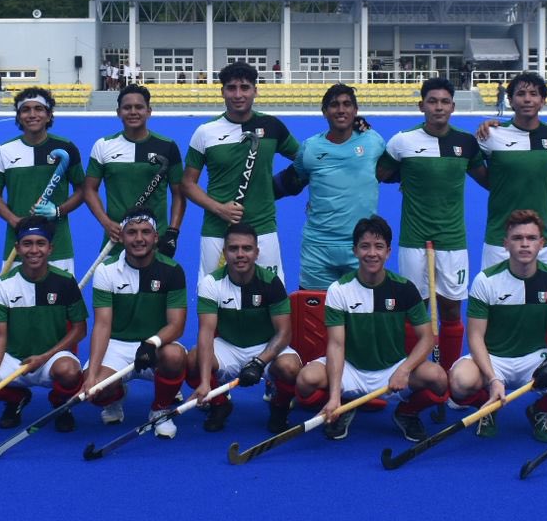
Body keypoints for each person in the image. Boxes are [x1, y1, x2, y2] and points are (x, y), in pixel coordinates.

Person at [296, 215, 448, 442]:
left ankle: (407, 412)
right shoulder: (339, 289)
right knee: (305, 380)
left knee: (439, 378)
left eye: (379, 247)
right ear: (355, 250)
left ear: (388, 251)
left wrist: (404, 369)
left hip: (392, 369)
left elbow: (426, 338)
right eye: (365, 246)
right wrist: (334, 395)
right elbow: (336, 345)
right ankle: (342, 406)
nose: (372, 253)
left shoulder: (405, 289)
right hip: (351, 368)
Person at [451, 211, 547, 442]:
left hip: (536, 358)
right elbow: (476, 338)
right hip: (493, 359)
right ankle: (487, 407)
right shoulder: (486, 280)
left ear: (541, 244)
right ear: (505, 244)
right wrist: (492, 378)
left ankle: (542, 409)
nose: (524, 244)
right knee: (459, 383)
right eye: (517, 238)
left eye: (531, 238)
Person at [375, 77, 489, 373]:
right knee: (415, 308)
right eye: (432, 101)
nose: (438, 107)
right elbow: (380, 173)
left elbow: (489, 179)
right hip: (414, 241)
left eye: (444, 102)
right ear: (421, 105)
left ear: (453, 106)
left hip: (452, 241)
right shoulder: (402, 141)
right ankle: (413, 374)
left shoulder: (466, 142)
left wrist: (497, 133)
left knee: (451, 308)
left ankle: (448, 373)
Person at [0, 216, 88, 432]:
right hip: (13, 359)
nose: (34, 250)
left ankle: (61, 404)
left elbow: (80, 330)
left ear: (51, 248)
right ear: (17, 248)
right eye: (27, 243)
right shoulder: (2, 285)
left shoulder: (66, 282)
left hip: (51, 358)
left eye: (40, 243)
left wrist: (45, 357)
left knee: (70, 372)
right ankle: (16, 398)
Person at [182, 62, 300, 279]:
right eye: (231, 88)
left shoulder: (272, 126)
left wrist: (284, 185)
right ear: (222, 92)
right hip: (217, 230)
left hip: (263, 227)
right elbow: (188, 183)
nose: (238, 94)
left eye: (245, 87)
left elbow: (305, 159)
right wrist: (219, 209)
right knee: (213, 298)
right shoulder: (205, 132)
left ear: (255, 90)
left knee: (270, 297)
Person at [84, 211, 188, 437]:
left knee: (175, 357)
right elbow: (102, 325)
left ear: (156, 237)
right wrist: (92, 374)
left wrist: (152, 343)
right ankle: (116, 396)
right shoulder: (105, 270)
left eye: (145, 232)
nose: (139, 238)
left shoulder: (173, 270)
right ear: (121, 237)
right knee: (95, 389)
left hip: (157, 344)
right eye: (131, 232)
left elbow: (177, 325)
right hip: (117, 345)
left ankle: (160, 410)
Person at [189, 223, 301, 433]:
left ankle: (279, 408)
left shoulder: (272, 282)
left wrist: (259, 362)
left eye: (247, 248)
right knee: (193, 360)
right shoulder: (210, 283)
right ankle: (220, 404)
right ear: (225, 252)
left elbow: (284, 333)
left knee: (290, 368)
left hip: (266, 347)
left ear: (257, 252)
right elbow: (205, 332)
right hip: (228, 347)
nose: (240, 254)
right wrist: (204, 382)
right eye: (234, 249)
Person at [277, 83, 384, 290]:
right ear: (324, 111)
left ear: (356, 110)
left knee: (362, 318)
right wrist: (256, 193)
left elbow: (392, 169)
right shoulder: (310, 148)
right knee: (314, 316)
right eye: (334, 105)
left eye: (347, 104)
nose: (341, 110)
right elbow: (290, 181)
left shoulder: (373, 141)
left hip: (361, 247)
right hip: (318, 248)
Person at [0, 86, 86, 275]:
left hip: (59, 244)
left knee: (59, 302)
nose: (32, 114)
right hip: (17, 244)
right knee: (15, 302)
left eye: (39, 109)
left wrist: (58, 211)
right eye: (26, 110)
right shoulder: (4, 150)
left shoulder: (66, 147)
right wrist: (15, 221)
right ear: (18, 116)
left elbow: (82, 190)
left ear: (49, 115)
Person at [477, 71, 547, 273]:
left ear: (543, 101)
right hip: (500, 236)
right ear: (510, 100)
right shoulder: (490, 134)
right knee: (496, 299)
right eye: (521, 94)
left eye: (534, 94)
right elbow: (470, 168)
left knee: (546, 300)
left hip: (543, 236)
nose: (527, 99)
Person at [84, 84, 186, 257]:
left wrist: (172, 232)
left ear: (149, 111)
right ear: (118, 112)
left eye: (139, 107)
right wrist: (106, 223)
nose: (133, 112)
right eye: (127, 107)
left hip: (155, 240)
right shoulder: (103, 146)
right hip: (116, 240)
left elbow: (179, 194)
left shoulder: (168, 146)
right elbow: (89, 189)